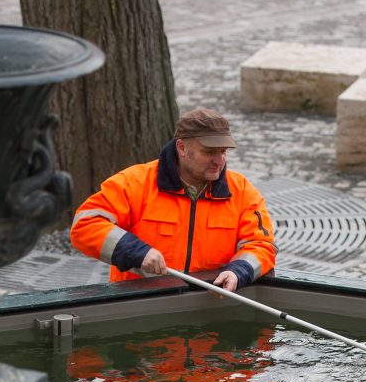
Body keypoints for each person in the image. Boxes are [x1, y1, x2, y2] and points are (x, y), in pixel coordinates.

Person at [71, 108, 276, 292]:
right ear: (182, 148)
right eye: (209, 152)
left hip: (211, 306)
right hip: (139, 305)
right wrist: (136, 252)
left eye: (223, 152)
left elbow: (261, 244)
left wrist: (238, 271)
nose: (219, 160)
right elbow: (85, 224)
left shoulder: (243, 191)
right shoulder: (134, 183)